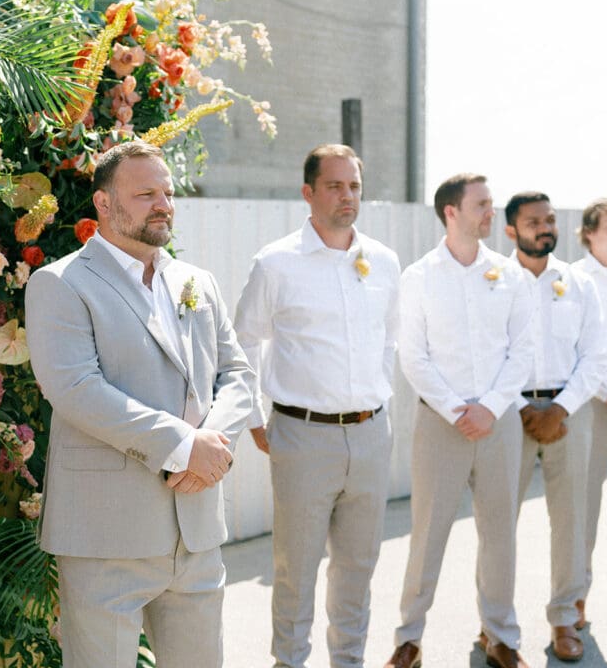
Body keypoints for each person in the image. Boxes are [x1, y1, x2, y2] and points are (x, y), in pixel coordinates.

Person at [24, 139, 255, 668]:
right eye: (146, 193)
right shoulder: (61, 284)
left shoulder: (198, 282)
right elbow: (76, 388)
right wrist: (182, 445)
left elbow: (237, 374)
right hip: (106, 534)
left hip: (195, 528)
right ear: (104, 204)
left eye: (168, 192)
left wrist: (211, 445)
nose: (163, 204)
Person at [233, 143, 399, 668]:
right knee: (295, 570)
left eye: (353, 185)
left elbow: (389, 340)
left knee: (358, 569)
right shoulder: (277, 262)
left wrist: (376, 404)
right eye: (334, 185)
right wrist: (256, 419)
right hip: (303, 437)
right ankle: (290, 662)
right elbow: (242, 343)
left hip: (371, 435)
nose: (347, 195)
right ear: (308, 193)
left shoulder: (384, 261)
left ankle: (348, 662)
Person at [385, 174, 533, 668]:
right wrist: (457, 410)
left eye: (491, 204)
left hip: (500, 422)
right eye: (483, 205)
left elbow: (522, 350)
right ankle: (409, 638)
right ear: (452, 212)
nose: (492, 213)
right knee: (427, 533)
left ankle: (500, 636)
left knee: (500, 532)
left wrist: (489, 407)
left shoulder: (510, 276)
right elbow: (413, 356)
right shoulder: (420, 276)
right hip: (440, 424)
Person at [503, 191, 606, 662]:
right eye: (532, 221)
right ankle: (496, 625)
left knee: (571, 520)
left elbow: (596, 356)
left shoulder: (577, 283)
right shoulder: (495, 281)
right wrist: (522, 406)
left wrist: (559, 410)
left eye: (549, 220)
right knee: (498, 522)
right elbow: (485, 353)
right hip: (509, 412)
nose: (544, 227)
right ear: (511, 230)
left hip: (570, 411)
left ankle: (565, 618)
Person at [571, 198, 607, 631]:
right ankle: (575, 598)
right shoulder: (575, 280)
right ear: (589, 233)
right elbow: (578, 349)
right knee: (585, 505)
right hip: (596, 406)